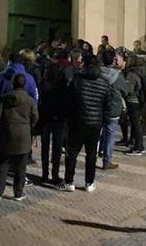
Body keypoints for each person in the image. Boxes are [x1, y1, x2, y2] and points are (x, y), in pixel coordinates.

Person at [58, 52, 111, 192]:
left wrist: (69, 117)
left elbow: (68, 101)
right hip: (95, 123)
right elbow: (107, 106)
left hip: (78, 121)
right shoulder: (104, 82)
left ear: (85, 63)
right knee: (91, 153)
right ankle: (89, 182)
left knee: (73, 152)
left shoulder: (77, 79)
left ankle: (69, 181)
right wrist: (103, 121)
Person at [0, 73, 38, 201]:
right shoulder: (29, 100)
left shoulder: (5, 98)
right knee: (21, 166)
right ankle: (18, 193)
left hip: (7, 132)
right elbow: (35, 117)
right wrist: (29, 126)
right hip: (23, 134)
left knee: (3, 164)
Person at [39, 50, 71, 183]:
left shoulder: (43, 82)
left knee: (45, 147)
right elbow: (66, 100)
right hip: (60, 118)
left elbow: (39, 99)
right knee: (57, 148)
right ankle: (55, 174)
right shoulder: (62, 83)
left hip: (46, 117)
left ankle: (44, 173)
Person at [98, 49, 127, 170]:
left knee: (99, 132)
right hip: (113, 107)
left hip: (99, 106)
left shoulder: (97, 72)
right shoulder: (117, 75)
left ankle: (99, 151)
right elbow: (125, 91)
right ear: (113, 60)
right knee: (110, 133)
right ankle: (107, 160)